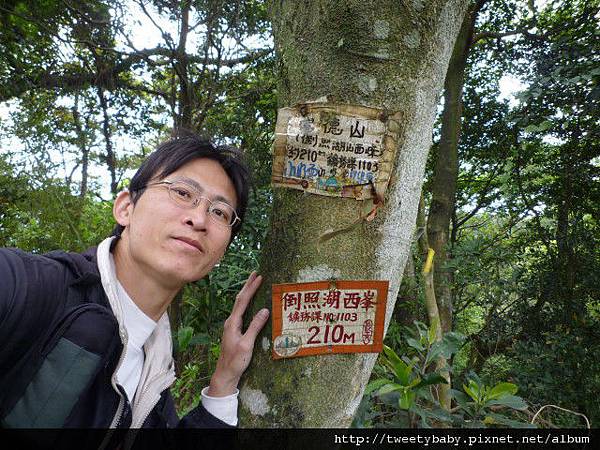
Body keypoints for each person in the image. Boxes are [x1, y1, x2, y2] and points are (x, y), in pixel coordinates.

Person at [0, 132, 270, 440]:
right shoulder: (34, 288)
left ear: (220, 252)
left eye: (219, 212)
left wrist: (224, 380)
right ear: (126, 207)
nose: (199, 219)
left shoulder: (154, 378)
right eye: (182, 193)